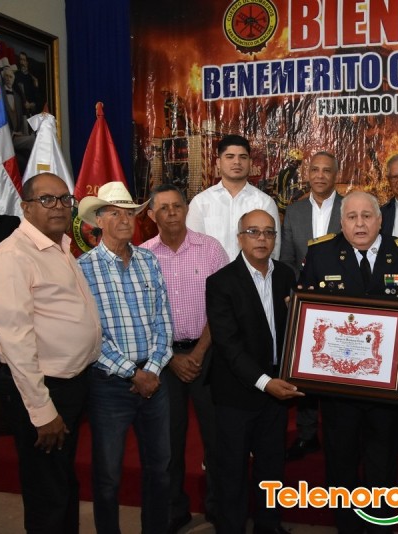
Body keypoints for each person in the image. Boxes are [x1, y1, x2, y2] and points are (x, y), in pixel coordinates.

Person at [299, 191, 398, 533]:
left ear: (380, 220)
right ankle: (347, 525)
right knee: (340, 458)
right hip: (338, 383)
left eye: (367, 216)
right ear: (341, 223)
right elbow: (306, 317)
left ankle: (380, 524)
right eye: (352, 217)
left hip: (387, 383)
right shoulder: (321, 254)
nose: (359, 224)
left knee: (382, 458)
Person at [0, 173, 100, 533]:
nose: (59, 207)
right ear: (25, 207)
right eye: (47, 200)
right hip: (41, 388)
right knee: (47, 491)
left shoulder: (60, 246)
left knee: (62, 481)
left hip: (70, 383)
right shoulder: (12, 256)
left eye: (65, 199)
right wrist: (41, 410)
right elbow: (16, 341)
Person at [77, 182, 173, 534]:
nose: (124, 219)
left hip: (155, 380)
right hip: (110, 386)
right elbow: (90, 334)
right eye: (114, 213)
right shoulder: (83, 268)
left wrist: (152, 369)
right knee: (108, 476)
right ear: (98, 220)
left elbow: (164, 320)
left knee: (160, 469)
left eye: (129, 213)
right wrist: (133, 374)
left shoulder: (149, 260)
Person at [206, 209, 301, 534]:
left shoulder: (287, 276)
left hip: (277, 388)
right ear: (240, 238)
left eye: (268, 232)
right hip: (237, 391)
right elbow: (228, 345)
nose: (262, 238)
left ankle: (268, 525)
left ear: (275, 238)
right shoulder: (220, 282)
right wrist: (265, 382)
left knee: (271, 466)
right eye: (253, 232)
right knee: (232, 469)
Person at [141, 184, 229, 532]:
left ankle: (221, 509)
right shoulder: (143, 256)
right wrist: (171, 357)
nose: (172, 213)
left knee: (217, 437)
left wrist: (198, 352)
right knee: (168, 441)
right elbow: (143, 315)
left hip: (208, 354)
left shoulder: (211, 249)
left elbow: (223, 307)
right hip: (164, 361)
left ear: (187, 209)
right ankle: (173, 510)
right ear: (151, 215)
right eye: (163, 208)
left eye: (177, 206)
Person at [280, 150, 343, 461]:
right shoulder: (294, 211)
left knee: (338, 369)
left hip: (341, 304)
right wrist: (297, 292)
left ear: (336, 175)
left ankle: (337, 434)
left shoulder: (349, 208)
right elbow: (287, 260)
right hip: (303, 304)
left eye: (326, 170)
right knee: (306, 368)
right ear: (308, 174)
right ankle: (307, 435)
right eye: (315, 170)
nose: (320, 176)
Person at [187, 134, 281, 261]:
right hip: (213, 273)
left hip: (253, 274)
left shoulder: (264, 203)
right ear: (218, 163)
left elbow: (273, 251)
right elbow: (193, 250)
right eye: (230, 156)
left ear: (250, 163)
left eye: (243, 157)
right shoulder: (200, 202)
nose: (237, 162)